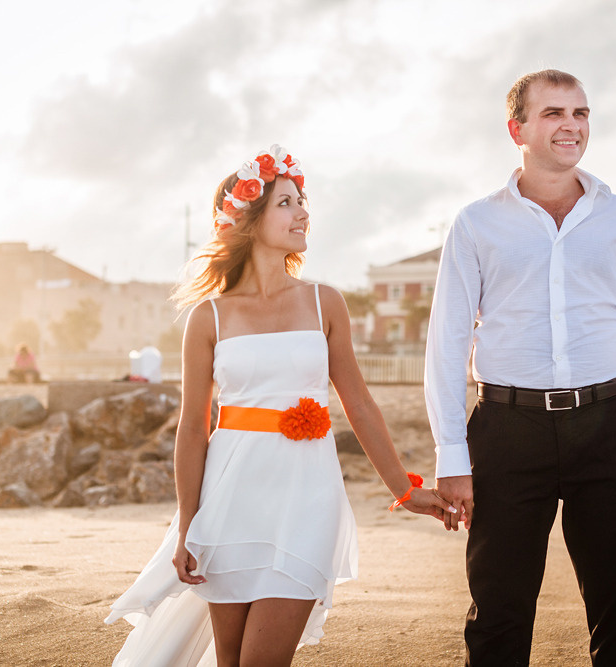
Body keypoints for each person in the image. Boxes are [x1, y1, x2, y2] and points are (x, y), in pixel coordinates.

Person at [105, 145, 454, 666]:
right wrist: (188, 526)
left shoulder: (324, 302)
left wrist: (405, 489)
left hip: (308, 497)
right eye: (286, 203)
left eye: (301, 201)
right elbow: (193, 428)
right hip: (230, 500)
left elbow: (359, 404)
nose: (302, 213)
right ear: (248, 220)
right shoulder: (209, 317)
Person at [425, 70, 616, 666]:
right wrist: (451, 457)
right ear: (516, 129)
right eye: (554, 113)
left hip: (609, 424)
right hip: (506, 430)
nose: (571, 125)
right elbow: (445, 344)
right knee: (498, 609)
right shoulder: (475, 224)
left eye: (580, 113)